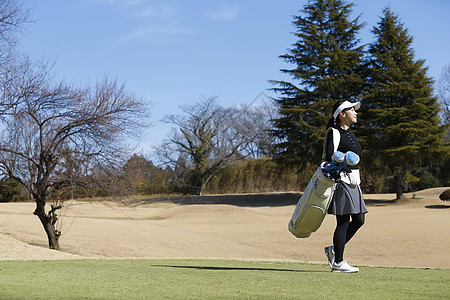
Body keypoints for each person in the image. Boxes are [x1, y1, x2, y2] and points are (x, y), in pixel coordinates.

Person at [323, 100, 367, 273]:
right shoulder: (333, 132)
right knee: (343, 221)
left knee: (359, 219)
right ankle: (338, 263)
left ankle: (335, 250)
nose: (355, 113)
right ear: (342, 114)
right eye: (351, 110)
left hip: (354, 181)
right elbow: (328, 157)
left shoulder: (352, 135)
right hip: (341, 180)